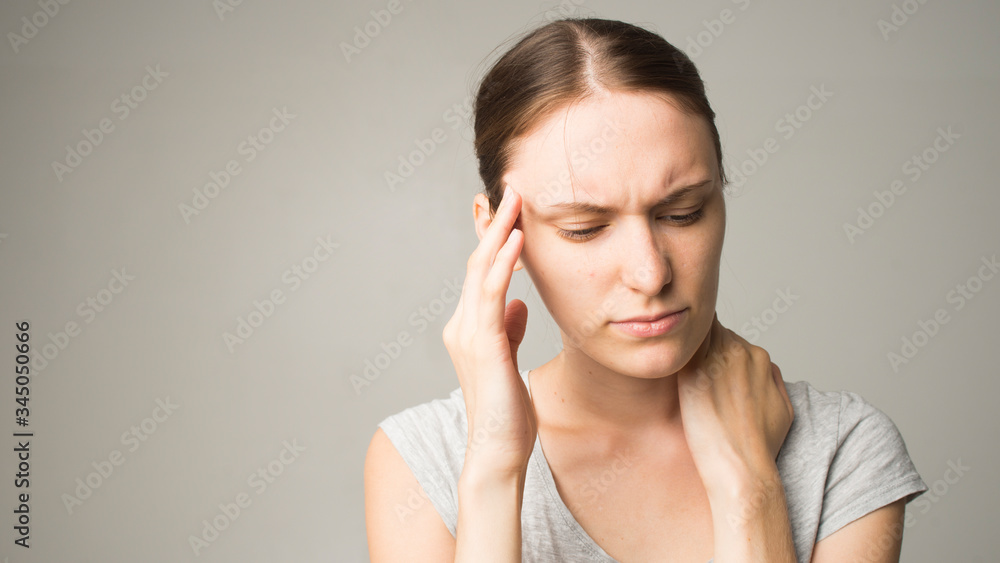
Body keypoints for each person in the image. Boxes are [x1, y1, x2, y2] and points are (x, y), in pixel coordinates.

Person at [364, 17, 928, 563]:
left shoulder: (841, 450)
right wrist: (494, 468)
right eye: (584, 228)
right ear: (499, 234)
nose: (650, 273)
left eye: (683, 213)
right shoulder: (424, 458)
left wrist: (749, 486)